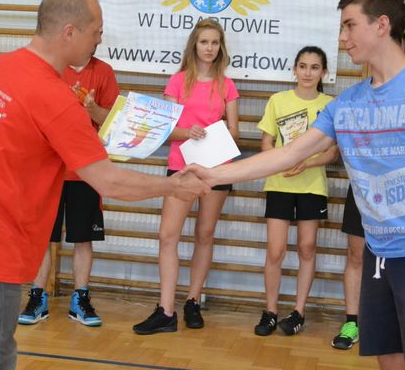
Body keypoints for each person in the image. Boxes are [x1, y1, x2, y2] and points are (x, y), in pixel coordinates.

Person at [186, 0, 405, 370]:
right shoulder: (348, 103)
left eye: (349, 26)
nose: (342, 38)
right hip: (379, 255)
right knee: (391, 366)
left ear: (381, 25)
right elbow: (288, 153)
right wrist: (214, 175)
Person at [0, 0, 209, 370]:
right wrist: (173, 187)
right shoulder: (54, 97)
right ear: (70, 32)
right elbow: (107, 180)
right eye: (96, 31)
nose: (100, 39)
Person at [132, 18, 239, 335]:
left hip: (216, 168)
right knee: (168, 235)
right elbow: (165, 129)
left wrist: (215, 136)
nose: (209, 48)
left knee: (204, 234)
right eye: (204, 42)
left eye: (215, 43)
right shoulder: (178, 82)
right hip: (181, 166)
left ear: (221, 47)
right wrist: (187, 132)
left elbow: (234, 130)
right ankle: (166, 310)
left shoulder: (227, 84)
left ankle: (193, 300)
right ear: (194, 44)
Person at [18, 54, 119, 327]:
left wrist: (91, 108)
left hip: (85, 170)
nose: (95, 39)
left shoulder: (103, 71)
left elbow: (112, 122)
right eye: (93, 34)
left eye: (98, 35)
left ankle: (80, 300)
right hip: (47, 169)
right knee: (41, 236)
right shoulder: (50, 69)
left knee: (83, 238)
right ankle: (37, 297)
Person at [254, 46, 338, 337]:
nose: (307, 72)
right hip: (279, 184)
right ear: (294, 69)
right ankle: (270, 311)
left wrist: (306, 163)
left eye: (314, 67)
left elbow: (333, 151)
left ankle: (299, 312)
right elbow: (266, 143)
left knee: (306, 248)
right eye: (303, 66)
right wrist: (281, 162)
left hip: (312, 186)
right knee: (275, 250)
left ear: (323, 73)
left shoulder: (330, 104)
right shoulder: (278, 100)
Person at [332, 32, 405, 350]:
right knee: (356, 254)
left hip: (403, 192)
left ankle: (398, 323)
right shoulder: (356, 98)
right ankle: (352, 321)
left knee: (402, 260)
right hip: (364, 188)